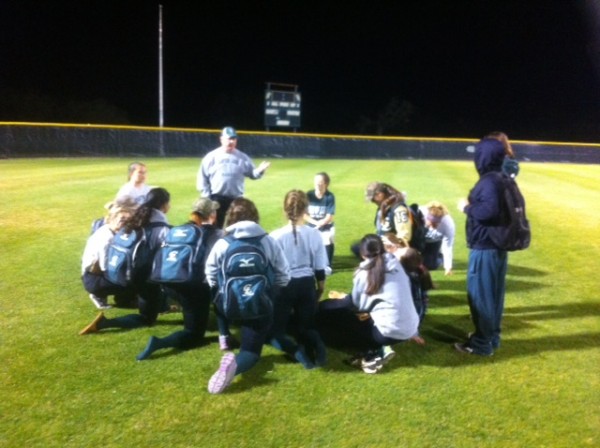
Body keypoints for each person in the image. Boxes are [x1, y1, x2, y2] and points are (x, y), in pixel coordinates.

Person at [204, 197, 290, 394]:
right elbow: (284, 275)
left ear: (230, 218)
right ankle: (233, 366)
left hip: (229, 308)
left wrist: (221, 293)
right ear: (255, 216)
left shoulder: (223, 243)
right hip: (259, 305)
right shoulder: (267, 241)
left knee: (230, 311)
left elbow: (210, 273)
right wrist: (271, 294)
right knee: (250, 352)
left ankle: (224, 335)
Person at [321, 234, 424, 374]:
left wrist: (322, 307)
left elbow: (357, 305)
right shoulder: (395, 263)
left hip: (390, 332)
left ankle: (369, 357)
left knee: (346, 318)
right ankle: (375, 350)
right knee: (367, 316)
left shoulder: (364, 273)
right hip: (411, 327)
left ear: (363, 254)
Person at [136, 198, 223, 361]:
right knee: (194, 335)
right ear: (212, 214)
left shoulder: (176, 230)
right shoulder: (216, 234)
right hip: (193, 288)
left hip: (169, 285)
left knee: (194, 307)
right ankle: (159, 343)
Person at [79, 188, 172, 335]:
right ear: (165, 205)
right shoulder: (161, 227)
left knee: (152, 287)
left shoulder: (137, 218)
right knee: (147, 317)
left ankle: (156, 304)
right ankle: (105, 323)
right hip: (138, 278)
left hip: (120, 272)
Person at [454, 133, 512, 356]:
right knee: (494, 296)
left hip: (485, 248)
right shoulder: (502, 177)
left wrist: (466, 207)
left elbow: (487, 211)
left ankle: (481, 344)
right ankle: (491, 338)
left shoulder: (489, 182)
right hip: (497, 246)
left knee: (481, 296)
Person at [269, 190, 329, 369]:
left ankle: (300, 354)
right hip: (306, 285)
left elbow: (271, 267)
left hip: (284, 286)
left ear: (284, 209)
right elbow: (320, 265)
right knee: (306, 327)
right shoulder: (314, 234)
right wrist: (320, 287)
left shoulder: (275, 236)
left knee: (276, 332)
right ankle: (319, 349)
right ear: (306, 209)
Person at [197, 127, 271, 228]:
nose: (231, 141)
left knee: (237, 229)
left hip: (236, 199)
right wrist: (207, 198)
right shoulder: (211, 157)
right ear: (221, 139)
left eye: (233, 139)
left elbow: (253, 174)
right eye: (228, 139)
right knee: (214, 230)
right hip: (216, 198)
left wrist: (259, 171)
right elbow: (202, 178)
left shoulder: (242, 157)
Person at [81, 198, 138, 309]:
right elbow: (105, 267)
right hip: (94, 278)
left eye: (128, 220)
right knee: (133, 279)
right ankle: (98, 294)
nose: (126, 223)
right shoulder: (106, 238)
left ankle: (124, 300)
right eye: (122, 220)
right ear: (111, 219)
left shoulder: (110, 231)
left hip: (95, 275)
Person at [305, 172, 336, 267]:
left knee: (327, 240)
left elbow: (329, 216)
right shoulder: (309, 195)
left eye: (320, 182)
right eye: (316, 181)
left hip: (326, 226)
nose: (317, 184)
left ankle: (327, 265)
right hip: (311, 225)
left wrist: (320, 224)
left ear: (326, 184)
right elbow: (304, 214)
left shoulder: (329, 196)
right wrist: (315, 223)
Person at [420, 201, 455, 275]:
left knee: (430, 266)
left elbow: (448, 245)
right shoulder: (420, 213)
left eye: (436, 224)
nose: (433, 226)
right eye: (431, 223)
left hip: (434, 241)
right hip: (420, 239)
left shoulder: (448, 224)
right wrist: (425, 226)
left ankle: (439, 256)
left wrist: (448, 267)